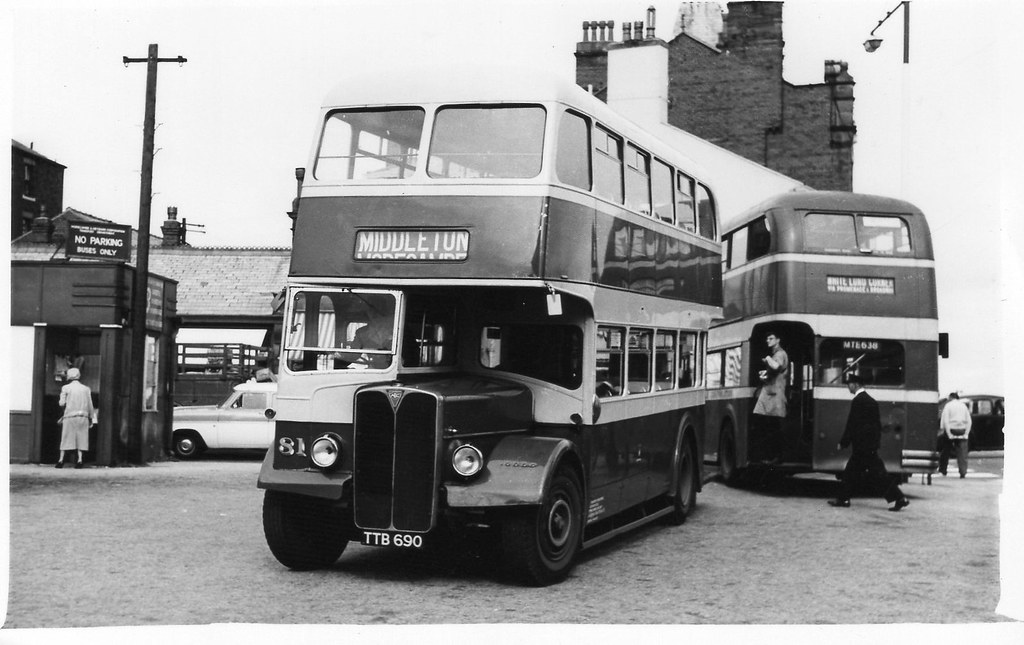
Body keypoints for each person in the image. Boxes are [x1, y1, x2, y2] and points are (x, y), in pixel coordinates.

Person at [828, 373, 909, 511]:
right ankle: (844, 498)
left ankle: (898, 498)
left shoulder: (858, 401)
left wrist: (843, 442)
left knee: (870, 473)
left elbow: (852, 424)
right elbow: (876, 425)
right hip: (869, 445)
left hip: (862, 447)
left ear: (855, 385)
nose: (848, 387)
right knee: (858, 472)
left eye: (849, 384)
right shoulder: (871, 400)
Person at [752, 332, 789, 462]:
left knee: (772, 427)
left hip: (774, 397)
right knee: (770, 426)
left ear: (778, 340)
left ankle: (775, 456)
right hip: (770, 395)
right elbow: (774, 372)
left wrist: (767, 358)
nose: (768, 340)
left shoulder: (779, 354)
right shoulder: (777, 354)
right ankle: (772, 456)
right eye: (767, 338)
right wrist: (765, 374)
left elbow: (776, 366)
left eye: (771, 338)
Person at [57, 367, 95, 469]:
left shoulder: (65, 388)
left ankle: (61, 461)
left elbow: (62, 403)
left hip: (70, 416)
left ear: (69, 376)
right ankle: (80, 460)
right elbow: (90, 405)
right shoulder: (86, 389)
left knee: (65, 438)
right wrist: (92, 418)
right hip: (83, 416)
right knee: (81, 438)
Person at [939, 392, 972, 478]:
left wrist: (949, 433)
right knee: (962, 452)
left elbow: (945, 420)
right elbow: (969, 421)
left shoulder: (948, 406)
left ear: (951, 397)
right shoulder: (963, 406)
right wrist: (966, 433)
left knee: (945, 450)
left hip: (951, 429)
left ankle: (943, 470)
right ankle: (963, 472)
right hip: (962, 430)